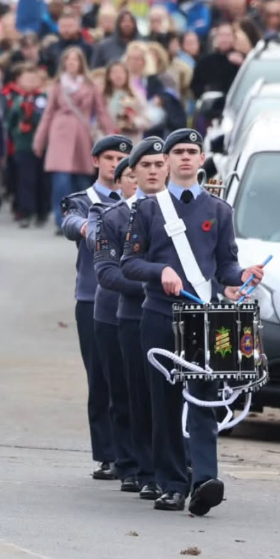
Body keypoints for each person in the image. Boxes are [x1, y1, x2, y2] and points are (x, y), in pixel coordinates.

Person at [121, 129, 264, 515]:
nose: (185, 157)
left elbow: (225, 265)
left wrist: (242, 275)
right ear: (166, 161)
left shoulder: (219, 211)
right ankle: (171, 483)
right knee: (165, 402)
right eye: (178, 152)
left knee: (204, 399)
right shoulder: (148, 210)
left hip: (207, 318)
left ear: (202, 160)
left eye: (192, 152)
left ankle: (204, 480)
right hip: (160, 316)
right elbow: (129, 263)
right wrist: (161, 270)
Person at [93, 136, 170, 503]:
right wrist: (155, 286)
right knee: (137, 394)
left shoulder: (183, 212)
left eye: (159, 164)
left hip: (177, 316)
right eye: (144, 167)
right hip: (133, 315)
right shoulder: (116, 216)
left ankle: (177, 467)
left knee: (172, 399)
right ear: (132, 175)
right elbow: (107, 273)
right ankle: (143, 469)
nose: (151, 173)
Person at [60, 134, 133, 480]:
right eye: (108, 157)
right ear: (96, 162)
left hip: (133, 300)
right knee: (101, 377)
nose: (115, 163)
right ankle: (108, 453)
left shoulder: (141, 201)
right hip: (92, 299)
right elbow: (72, 223)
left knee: (129, 379)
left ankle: (132, 452)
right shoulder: (82, 200)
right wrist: (89, 226)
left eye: (122, 157)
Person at [86, 152, 140, 493]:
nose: (138, 179)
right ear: (118, 183)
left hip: (152, 314)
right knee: (118, 390)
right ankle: (126, 462)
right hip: (110, 312)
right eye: (130, 174)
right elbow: (106, 269)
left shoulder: (164, 216)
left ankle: (153, 461)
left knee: (146, 394)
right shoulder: (108, 215)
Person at [33, 47, 115, 231]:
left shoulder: (90, 86)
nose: (71, 63)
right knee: (61, 181)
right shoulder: (56, 86)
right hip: (60, 133)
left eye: (75, 60)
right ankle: (62, 220)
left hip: (82, 135)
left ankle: (84, 218)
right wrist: (40, 140)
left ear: (81, 63)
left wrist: (112, 139)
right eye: (68, 60)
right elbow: (47, 113)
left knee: (81, 181)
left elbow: (101, 113)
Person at [6, 64, 51, 228]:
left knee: (42, 180)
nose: (30, 82)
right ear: (19, 81)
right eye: (27, 79)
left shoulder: (44, 98)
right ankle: (25, 212)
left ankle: (42, 212)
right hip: (23, 145)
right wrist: (15, 134)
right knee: (25, 180)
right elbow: (10, 121)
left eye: (34, 79)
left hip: (42, 145)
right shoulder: (18, 99)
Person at [190, 23, 243, 100]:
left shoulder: (242, 59)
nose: (224, 39)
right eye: (221, 35)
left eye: (228, 35)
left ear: (234, 38)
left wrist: (241, 64)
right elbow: (195, 86)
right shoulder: (205, 62)